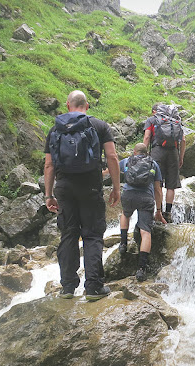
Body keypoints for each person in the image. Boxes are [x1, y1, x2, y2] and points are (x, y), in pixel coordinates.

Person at [44, 90, 120, 301]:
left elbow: (49, 165)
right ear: (87, 106)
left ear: (68, 106)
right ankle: (94, 287)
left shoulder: (55, 129)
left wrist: (48, 195)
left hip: (64, 188)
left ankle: (67, 287)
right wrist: (116, 187)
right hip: (91, 187)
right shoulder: (99, 126)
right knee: (92, 235)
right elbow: (112, 157)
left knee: (68, 234)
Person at [119, 143, 166, 281]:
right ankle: (141, 269)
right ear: (147, 153)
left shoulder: (127, 161)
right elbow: (158, 190)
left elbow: (112, 167)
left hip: (128, 194)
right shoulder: (154, 164)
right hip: (146, 198)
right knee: (145, 232)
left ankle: (123, 244)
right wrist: (159, 210)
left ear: (134, 151)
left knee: (125, 214)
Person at [143, 103, 186, 223]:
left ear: (154, 111)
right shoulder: (175, 121)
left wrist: (142, 155)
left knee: (158, 183)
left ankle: (158, 212)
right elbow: (183, 140)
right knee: (171, 185)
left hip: (157, 152)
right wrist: (181, 157)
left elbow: (147, 138)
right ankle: (168, 213)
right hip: (173, 153)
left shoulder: (152, 120)